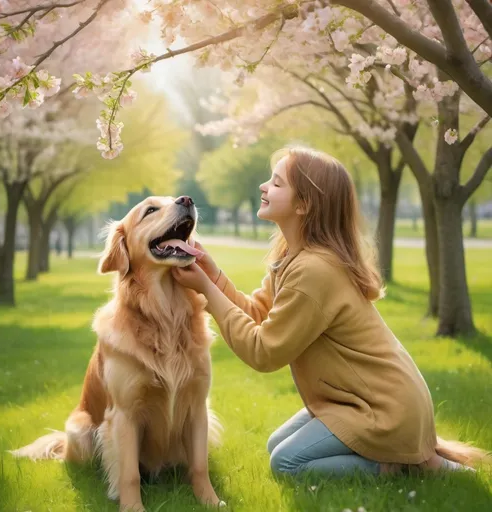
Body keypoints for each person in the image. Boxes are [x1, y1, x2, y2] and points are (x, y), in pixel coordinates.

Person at [172, 146, 483, 478]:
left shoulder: (314, 270)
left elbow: (263, 352)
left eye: (276, 183)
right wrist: (215, 276)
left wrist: (206, 288)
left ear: (303, 205)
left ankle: (398, 467)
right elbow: (256, 313)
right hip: (356, 401)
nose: (264, 187)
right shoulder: (294, 255)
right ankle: (416, 459)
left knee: (287, 463)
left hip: (383, 409)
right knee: (276, 443)